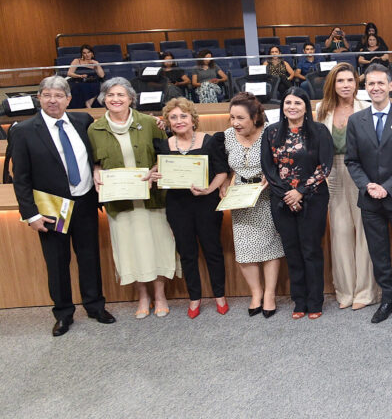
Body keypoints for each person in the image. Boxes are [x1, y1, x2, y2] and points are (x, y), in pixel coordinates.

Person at [9, 76, 115, 336]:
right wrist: (30, 214)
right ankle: (63, 314)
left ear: (69, 99)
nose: (53, 100)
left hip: (85, 202)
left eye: (59, 95)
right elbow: (20, 178)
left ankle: (94, 306)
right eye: (47, 95)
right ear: (39, 98)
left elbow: (105, 142)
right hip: (50, 209)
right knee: (57, 263)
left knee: (89, 257)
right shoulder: (23, 131)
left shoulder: (83, 122)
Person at [87, 77, 177, 319]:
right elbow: (95, 162)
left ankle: (159, 295)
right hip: (120, 202)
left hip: (152, 199)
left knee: (157, 246)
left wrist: (158, 168)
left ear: (130, 99)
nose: (115, 99)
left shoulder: (150, 123)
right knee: (129, 249)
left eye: (121, 95)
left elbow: (167, 155)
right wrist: (96, 171)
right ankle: (143, 296)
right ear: (104, 99)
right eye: (110, 95)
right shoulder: (94, 129)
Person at [344, 63, 392, 324]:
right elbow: (352, 161)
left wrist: (386, 187)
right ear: (365, 88)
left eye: (380, 83)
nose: (375, 88)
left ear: (391, 86)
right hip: (369, 200)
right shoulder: (356, 121)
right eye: (370, 84)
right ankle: (388, 298)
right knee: (378, 253)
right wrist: (368, 185)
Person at [154, 97, 229, 319]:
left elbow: (222, 171)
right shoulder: (163, 145)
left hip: (206, 203)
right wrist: (154, 174)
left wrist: (209, 190)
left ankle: (219, 296)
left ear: (193, 119)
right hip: (177, 206)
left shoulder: (209, 141)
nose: (179, 121)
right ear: (167, 121)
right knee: (187, 253)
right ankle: (194, 297)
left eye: (183, 116)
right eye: (173, 117)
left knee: (213, 251)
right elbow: (159, 170)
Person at [262, 88, 333, 320]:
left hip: (313, 198)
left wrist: (300, 192)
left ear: (306, 107)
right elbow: (268, 168)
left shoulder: (319, 131)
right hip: (282, 201)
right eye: (288, 102)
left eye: (297, 103)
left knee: (311, 250)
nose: (292, 106)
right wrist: (287, 195)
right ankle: (299, 301)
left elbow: (325, 166)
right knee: (292, 251)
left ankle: (315, 301)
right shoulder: (271, 132)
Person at [315, 63, 379, 310]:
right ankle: (345, 292)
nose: (345, 85)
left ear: (356, 83)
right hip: (331, 174)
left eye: (350, 81)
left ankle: (365, 291)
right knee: (340, 233)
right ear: (333, 84)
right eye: (340, 81)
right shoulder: (322, 109)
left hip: (361, 172)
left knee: (364, 231)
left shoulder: (366, 107)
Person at [214, 92, 284, 318]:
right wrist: (224, 182)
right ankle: (256, 293)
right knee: (245, 249)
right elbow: (224, 166)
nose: (235, 123)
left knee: (270, 246)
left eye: (240, 118)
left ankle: (270, 294)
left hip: (266, 196)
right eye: (232, 117)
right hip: (240, 198)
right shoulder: (227, 136)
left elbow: (282, 161)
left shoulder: (270, 133)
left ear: (255, 117)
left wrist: (271, 176)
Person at [66, 44, 105, 108]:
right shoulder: (77, 61)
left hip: (93, 81)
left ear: (92, 53)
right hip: (79, 81)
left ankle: (88, 104)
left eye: (88, 52)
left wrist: (97, 64)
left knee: (97, 85)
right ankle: (88, 105)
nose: (87, 55)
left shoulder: (94, 62)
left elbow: (102, 75)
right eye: (84, 53)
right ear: (82, 54)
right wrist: (80, 76)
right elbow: (69, 73)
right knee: (83, 86)